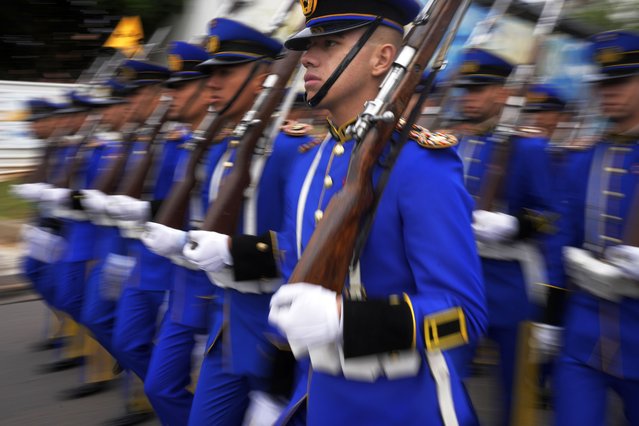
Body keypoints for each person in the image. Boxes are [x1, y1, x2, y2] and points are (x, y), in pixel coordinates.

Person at [182, 1, 486, 424]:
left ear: (383, 59)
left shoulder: (420, 164)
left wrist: (347, 321)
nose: (307, 57)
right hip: (316, 397)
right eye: (309, 44)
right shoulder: (310, 160)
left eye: (329, 44)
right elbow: (295, 253)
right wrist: (234, 251)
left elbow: (462, 314)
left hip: (403, 407)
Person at [139, 18, 313, 425]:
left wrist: (234, 252)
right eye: (210, 73)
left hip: (277, 332)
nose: (211, 82)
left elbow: (304, 242)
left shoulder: (295, 149)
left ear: (264, 80)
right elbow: (210, 230)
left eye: (225, 71)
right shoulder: (224, 150)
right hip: (228, 324)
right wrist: (182, 240)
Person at [453, 48, 559, 425]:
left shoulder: (528, 148)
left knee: (517, 396)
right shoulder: (453, 144)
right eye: (465, 89)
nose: (468, 97)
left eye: (478, 89)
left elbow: (550, 217)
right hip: (460, 279)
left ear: (501, 94)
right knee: (445, 379)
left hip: (511, 283)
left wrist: (514, 225)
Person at [553, 30, 639, 426]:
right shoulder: (582, 159)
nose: (609, 91)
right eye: (603, 82)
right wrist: (551, 320)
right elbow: (562, 240)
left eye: (620, 80)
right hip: (582, 340)